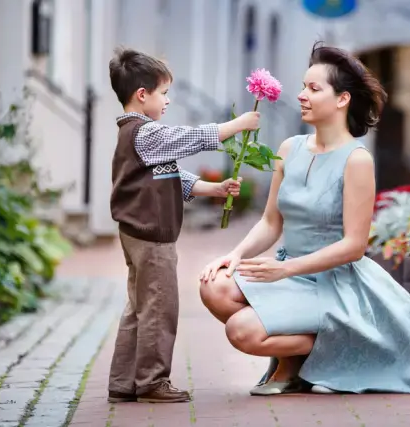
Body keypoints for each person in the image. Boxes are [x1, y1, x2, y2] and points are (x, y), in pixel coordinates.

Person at [198, 42, 410, 396]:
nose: (302, 95)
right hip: (290, 273)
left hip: (335, 284)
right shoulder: (289, 148)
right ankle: (296, 368)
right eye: (304, 86)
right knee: (214, 287)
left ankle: (333, 348)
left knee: (241, 331)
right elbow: (271, 222)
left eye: (313, 88)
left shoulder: (357, 160)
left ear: (342, 99)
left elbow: (354, 246)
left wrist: (285, 269)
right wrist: (237, 255)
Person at [107, 47, 260, 403]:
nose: (168, 100)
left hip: (137, 233)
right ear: (142, 95)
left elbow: (173, 175)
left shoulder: (139, 137)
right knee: (160, 308)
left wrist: (215, 189)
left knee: (139, 306)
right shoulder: (144, 133)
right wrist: (236, 126)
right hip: (152, 237)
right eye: (163, 93)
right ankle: (152, 381)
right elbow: (188, 139)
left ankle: (124, 380)